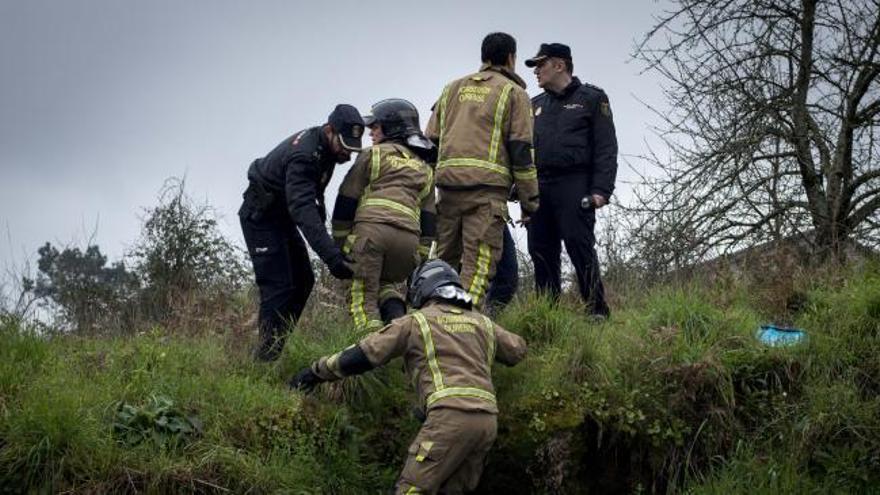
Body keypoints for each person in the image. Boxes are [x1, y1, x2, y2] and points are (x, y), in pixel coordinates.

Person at [289, 260, 527, 494]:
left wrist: (313, 373)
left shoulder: (416, 322)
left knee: (411, 489)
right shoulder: (483, 323)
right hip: (486, 423)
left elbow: (364, 354)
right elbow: (517, 350)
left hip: (448, 418)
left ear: (421, 288)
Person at [239, 104, 364, 361]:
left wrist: (334, 248)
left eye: (352, 148)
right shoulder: (305, 156)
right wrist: (332, 258)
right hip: (261, 218)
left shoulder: (326, 151)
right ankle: (262, 362)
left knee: (304, 280)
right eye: (344, 145)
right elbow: (303, 210)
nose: (347, 155)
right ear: (330, 130)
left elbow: (314, 201)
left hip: (282, 218)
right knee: (279, 287)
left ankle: (275, 347)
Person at [425, 32, 539, 310]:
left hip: (447, 192)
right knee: (475, 274)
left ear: (483, 57)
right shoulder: (514, 94)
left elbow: (430, 142)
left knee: (441, 267)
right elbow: (522, 152)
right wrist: (530, 202)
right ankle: (462, 334)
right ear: (511, 58)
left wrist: (426, 194)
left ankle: (429, 326)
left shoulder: (451, 89)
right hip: (486, 196)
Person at [524, 43, 618, 318]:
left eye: (541, 65)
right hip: (540, 186)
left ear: (559, 65)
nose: (536, 71)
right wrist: (524, 193)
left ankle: (596, 311)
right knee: (540, 251)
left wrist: (601, 190)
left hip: (575, 183)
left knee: (579, 246)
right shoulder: (534, 106)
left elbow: (606, 148)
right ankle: (547, 316)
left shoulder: (591, 98)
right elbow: (524, 151)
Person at [331, 99, 437, 331]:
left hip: (371, 237)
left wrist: (340, 246)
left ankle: (371, 354)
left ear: (392, 128)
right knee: (385, 286)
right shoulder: (425, 168)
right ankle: (400, 329)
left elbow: (346, 202)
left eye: (375, 127)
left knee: (362, 299)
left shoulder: (373, 155)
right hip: (407, 247)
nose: (371, 134)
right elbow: (429, 222)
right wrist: (418, 260)